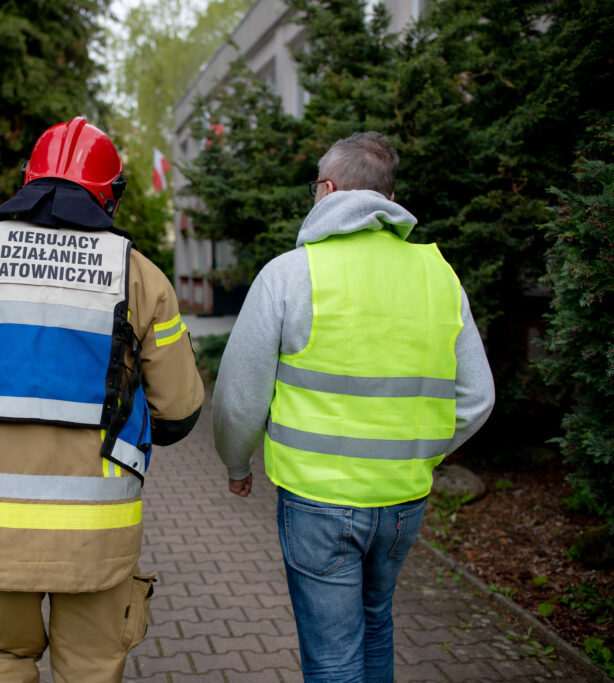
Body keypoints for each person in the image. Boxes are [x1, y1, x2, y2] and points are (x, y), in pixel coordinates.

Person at [0, 117, 204, 682]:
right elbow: (178, 413)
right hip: (99, 537)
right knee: (90, 670)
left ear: (28, 180)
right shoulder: (142, 277)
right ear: (110, 194)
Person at [212, 131, 495, 682]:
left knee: (334, 655)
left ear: (326, 189)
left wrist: (236, 464)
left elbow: (240, 393)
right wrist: (417, 450)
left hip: (317, 500)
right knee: (376, 624)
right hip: (402, 500)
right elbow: (477, 397)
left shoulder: (291, 274)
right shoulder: (440, 276)